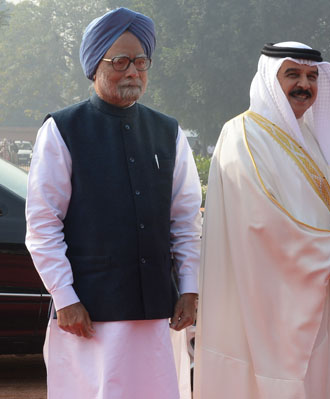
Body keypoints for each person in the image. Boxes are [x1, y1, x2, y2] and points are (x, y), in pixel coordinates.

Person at [25, 8, 203, 399]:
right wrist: (65, 298)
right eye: (119, 61)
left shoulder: (167, 132)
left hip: (156, 310)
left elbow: (186, 220)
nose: (132, 72)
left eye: (141, 62)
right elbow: (42, 224)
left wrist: (189, 288)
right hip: (89, 313)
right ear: (95, 66)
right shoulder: (63, 129)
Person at [194, 42, 330, 399]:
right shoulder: (243, 134)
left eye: (312, 76)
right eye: (293, 75)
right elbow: (262, 220)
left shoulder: (311, 139)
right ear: (270, 79)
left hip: (313, 289)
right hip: (260, 292)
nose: (305, 85)